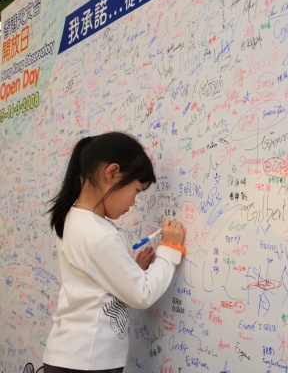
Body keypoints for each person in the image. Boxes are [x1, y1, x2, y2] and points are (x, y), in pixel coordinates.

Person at [43, 132, 187, 372]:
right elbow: (142, 295)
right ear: (111, 173)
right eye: (137, 191)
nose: (133, 202)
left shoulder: (75, 218)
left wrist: (132, 270)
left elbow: (95, 282)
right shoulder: (99, 234)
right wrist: (170, 250)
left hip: (72, 356)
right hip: (86, 362)